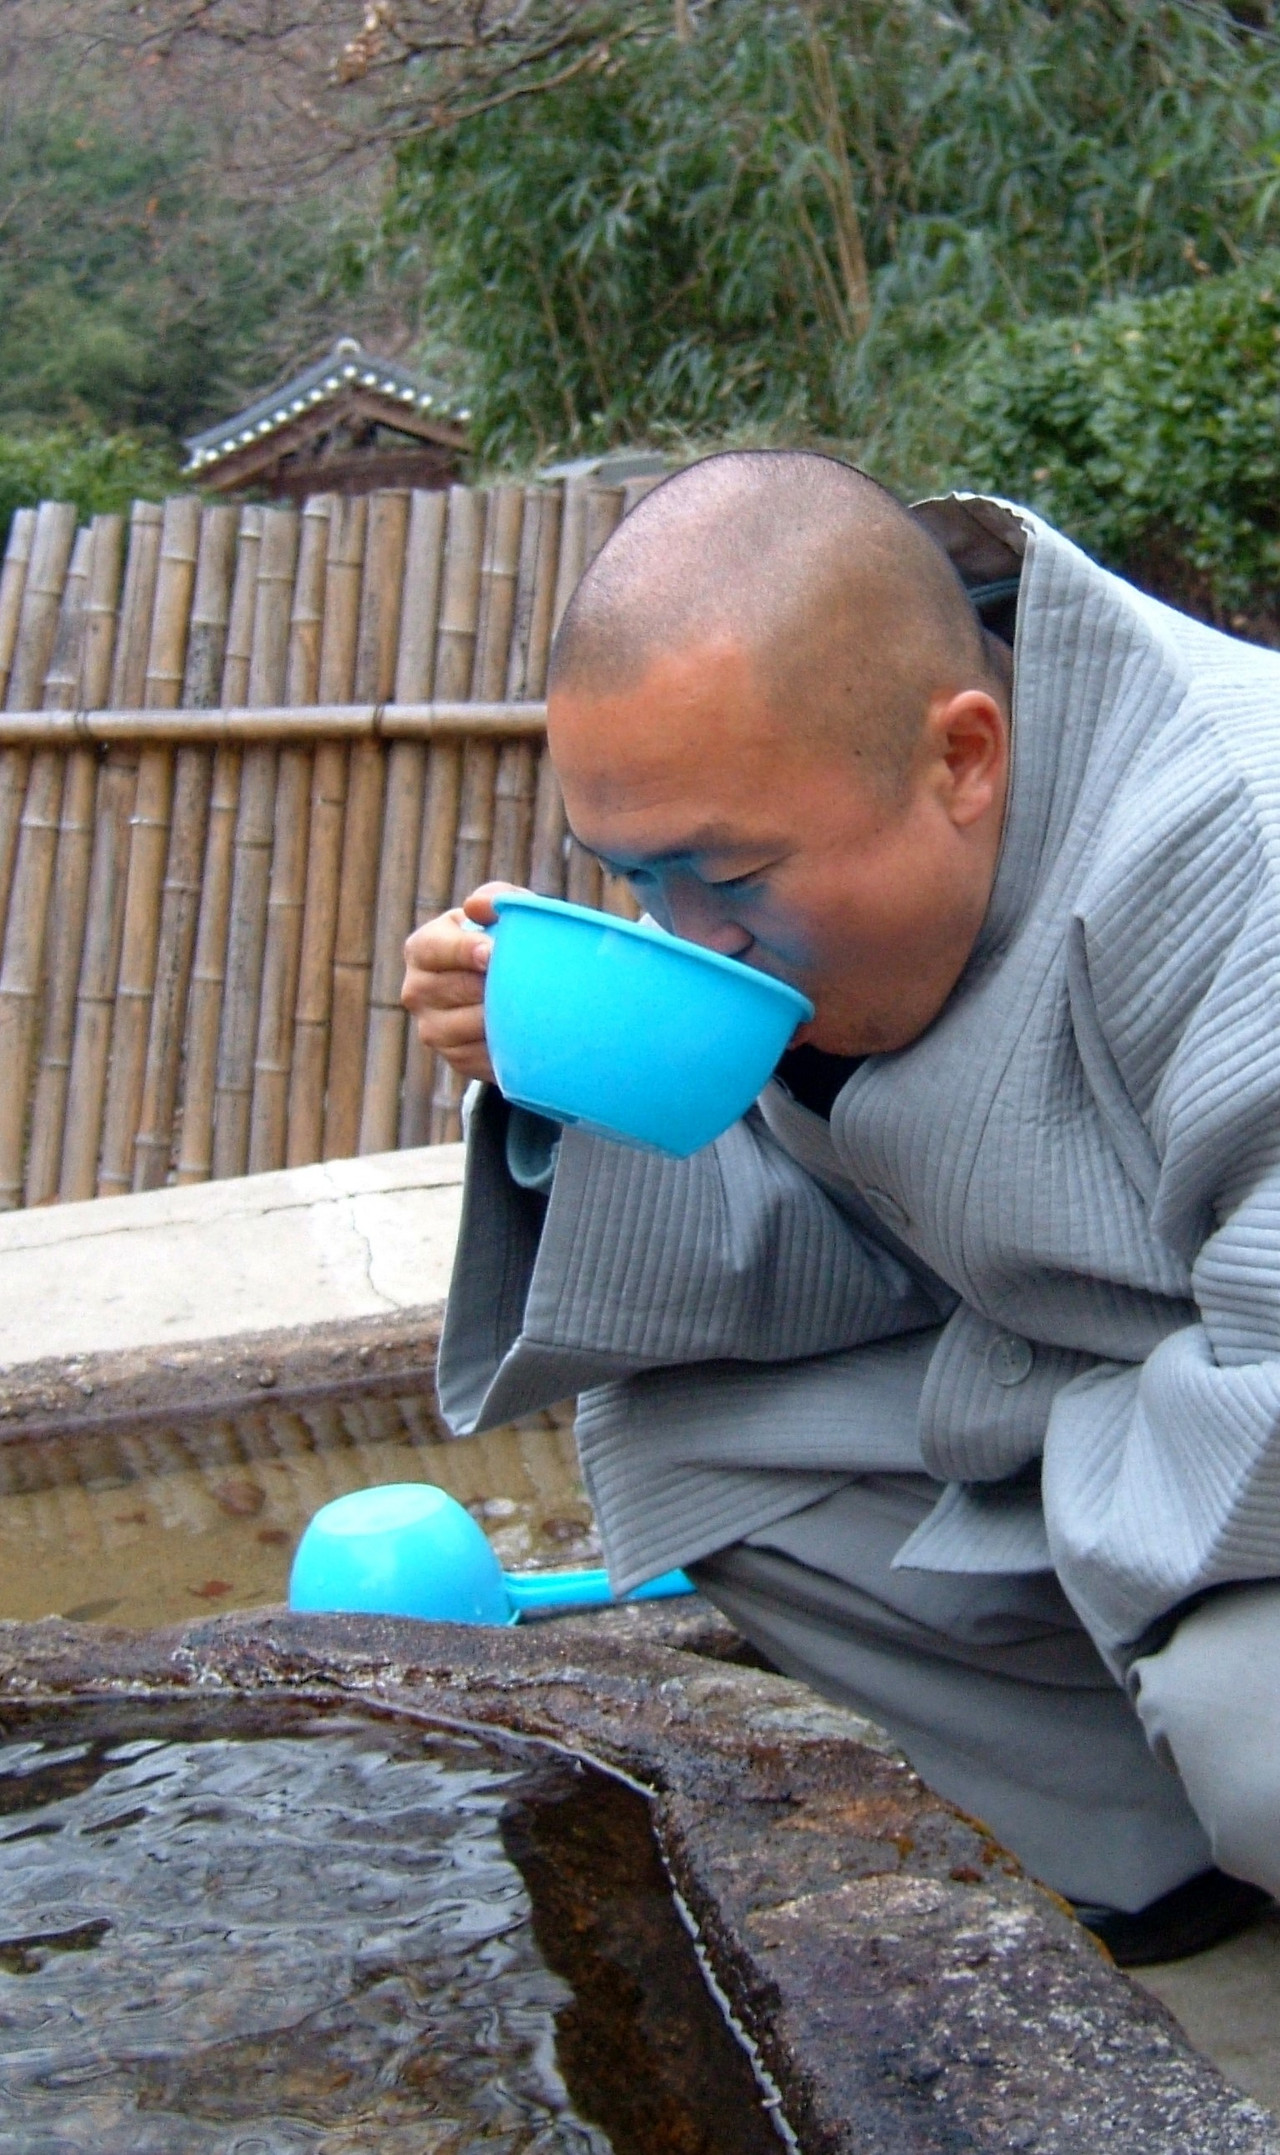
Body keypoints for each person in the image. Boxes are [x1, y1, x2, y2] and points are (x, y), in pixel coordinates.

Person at [402, 451, 1280, 1965]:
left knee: (1255, 1724)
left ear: (963, 758)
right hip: (1118, 1422)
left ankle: (1217, 1757)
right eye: (639, 879)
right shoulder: (853, 853)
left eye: (730, 874)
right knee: (693, 1439)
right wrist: (560, 1077)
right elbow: (859, 1250)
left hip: (1209, 1438)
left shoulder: (1236, 855)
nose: (692, 938)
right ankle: (1150, 1849)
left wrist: (1034, 1427)